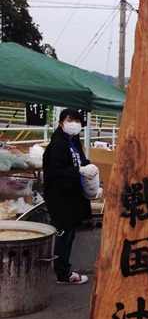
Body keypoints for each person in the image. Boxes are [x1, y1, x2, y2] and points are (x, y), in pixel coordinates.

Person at [43, 108, 99, 284]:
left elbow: (82, 161)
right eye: (70, 120)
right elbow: (57, 169)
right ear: (61, 122)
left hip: (73, 195)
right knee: (64, 233)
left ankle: (65, 268)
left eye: (77, 120)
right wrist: (80, 170)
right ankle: (62, 272)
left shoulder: (74, 140)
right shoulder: (58, 143)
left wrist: (94, 181)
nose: (74, 124)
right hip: (61, 196)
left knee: (71, 231)